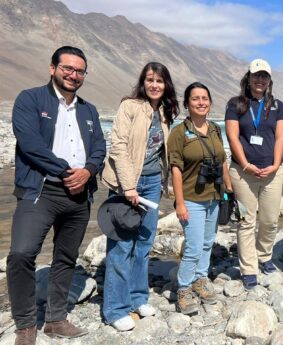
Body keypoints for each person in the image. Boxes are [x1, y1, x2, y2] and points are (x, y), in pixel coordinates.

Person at [7, 46, 106, 344]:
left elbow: (100, 146)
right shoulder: (30, 99)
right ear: (53, 68)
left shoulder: (88, 110)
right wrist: (66, 172)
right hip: (41, 191)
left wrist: (88, 171)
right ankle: (25, 324)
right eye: (68, 68)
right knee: (21, 253)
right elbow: (30, 144)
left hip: (78, 196)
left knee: (66, 257)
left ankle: (56, 319)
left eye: (80, 71)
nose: (74, 75)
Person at [100, 62, 179, 331]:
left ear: (166, 84)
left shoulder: (165, 112)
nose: (154, 85)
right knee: (122, 245)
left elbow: (161, 153)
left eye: (159, 80)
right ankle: (115, 308)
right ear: (143, 83)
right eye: (150, 80)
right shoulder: (130, 106)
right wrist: (128, 186)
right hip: (127, 184)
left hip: (152, 182)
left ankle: (137, 297)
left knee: (144, 243)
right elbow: (118, 145)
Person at [168, 82, 233, 314]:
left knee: (207, 243)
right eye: (195, 98)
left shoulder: (215, 128)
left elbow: (222, 159)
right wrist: (180, 202)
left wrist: (228, 187)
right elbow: (175, 168)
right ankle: (184, 289)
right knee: (194, 247)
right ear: (187, 103)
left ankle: (200, 278)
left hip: (213, 197)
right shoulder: (179, 133)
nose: (201, 102)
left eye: (205, 98)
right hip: (192, 199)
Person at [225, 58, 283, 290]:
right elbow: (232, 137)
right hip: (243, 173)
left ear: (269, 80)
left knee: (270, 220)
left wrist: (276, 163)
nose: (260, 80)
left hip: (272, 172)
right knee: (245, 221)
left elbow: (281, 137)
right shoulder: (235, 104)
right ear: (248, 78)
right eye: (256, 75)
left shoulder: (278, 105)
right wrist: (245, 164)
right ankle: (249, 268)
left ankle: (264, 255)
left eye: (264, 76)